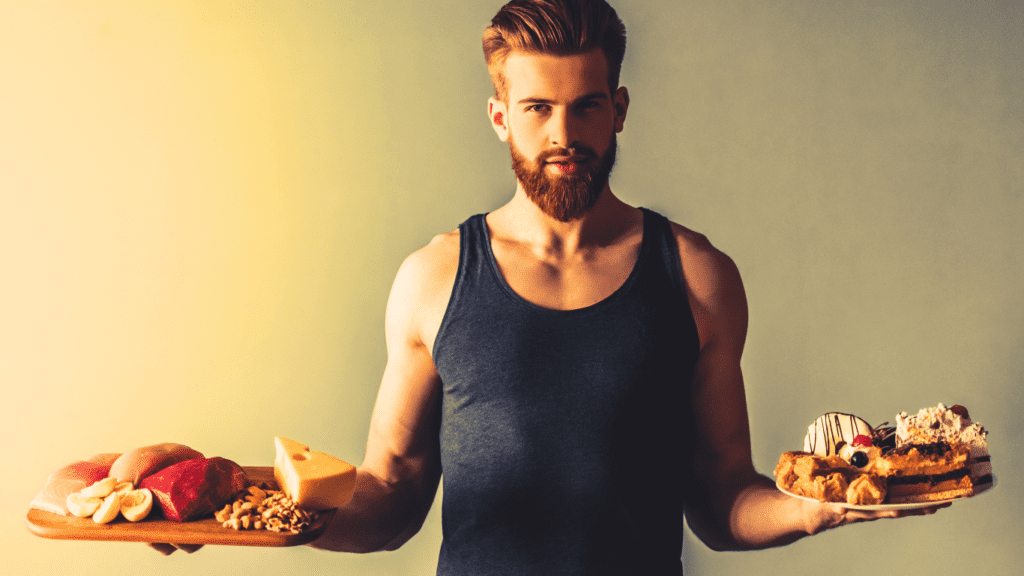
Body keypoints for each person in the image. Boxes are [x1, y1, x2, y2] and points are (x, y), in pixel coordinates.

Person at [154, 0, 946, 571]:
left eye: (584, 107)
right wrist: (236, 508)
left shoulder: (699, 276)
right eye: (537, 109)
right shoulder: (433, 278)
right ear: (500, 116)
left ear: (619, 110)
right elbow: (390, 498)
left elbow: (720, 500)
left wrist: (817, 507)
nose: (562, 137)